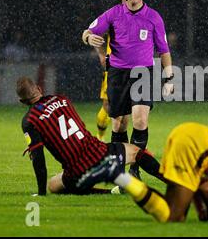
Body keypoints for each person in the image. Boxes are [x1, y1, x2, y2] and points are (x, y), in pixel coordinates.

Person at [77, 122, 208, 223]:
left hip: (190, 136)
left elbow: (202, 185)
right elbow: (206, 189)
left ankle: (118, 175)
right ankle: (117, 175)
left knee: (173, 210)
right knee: (174, 217)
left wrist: (207, 215)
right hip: (195, 147)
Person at [81, 0, 174, 181]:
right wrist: (89, 37)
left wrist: (170, 78)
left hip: (143, 73)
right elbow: (87, 32)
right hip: (117, 74)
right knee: (119, 124)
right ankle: (121, 172)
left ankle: (134, 169)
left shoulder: (154, 17)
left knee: (140, 120)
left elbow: (164, 51)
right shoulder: (113, 14)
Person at [16, 77, 162, 196]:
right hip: (99, 153)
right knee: (137, 151)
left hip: (77, 172)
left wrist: (41, 193)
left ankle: (110, 192)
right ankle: (173, 180)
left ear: (22, 102)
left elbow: (38, 160)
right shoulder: (62, 99)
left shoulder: (29, 121)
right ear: (39, 89)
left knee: (53, 185)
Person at [95, 0, 128, 142]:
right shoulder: (114, 16)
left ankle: (133, 146)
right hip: (114, 68)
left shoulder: (142, 16)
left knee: (134, 107)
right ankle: (100, 137)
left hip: (134, 69)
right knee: (108, 105)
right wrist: (102, 54)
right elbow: (96, 33)